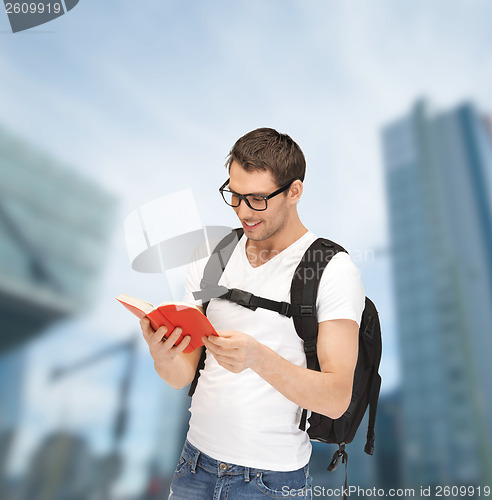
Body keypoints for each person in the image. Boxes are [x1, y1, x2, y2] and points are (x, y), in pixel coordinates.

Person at [140, 128, 365, 499]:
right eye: (235, 195)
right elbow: (180, 376)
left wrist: (258, 358)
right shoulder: (212, 254)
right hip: (193, 466)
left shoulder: (332, 269)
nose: (244, 211)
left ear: (294, 191)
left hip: (271, 482)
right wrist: (161, 352)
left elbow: (337, 398)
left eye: (258, 199)